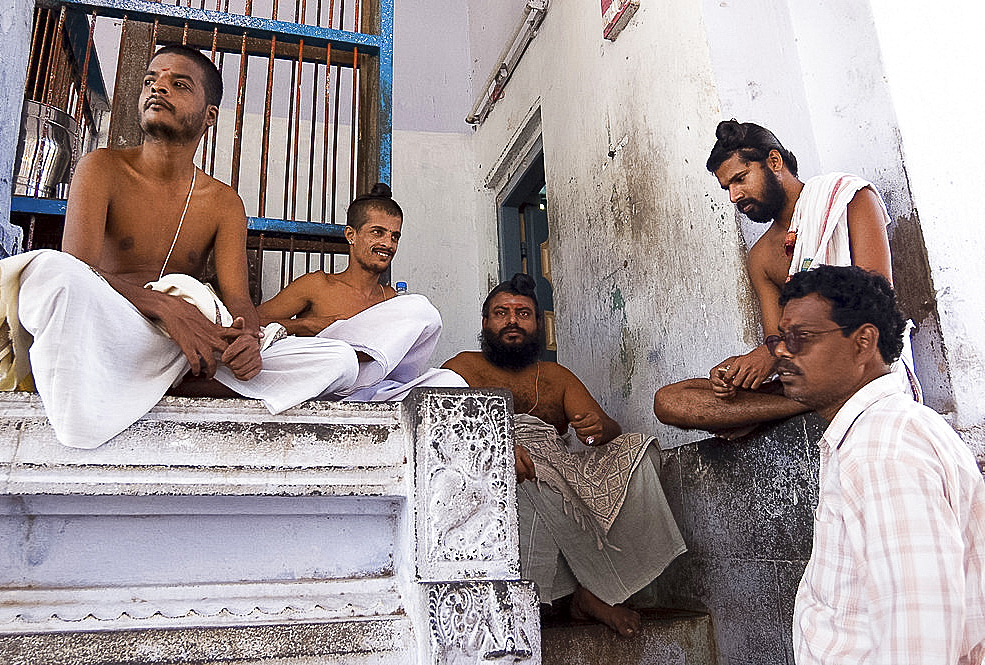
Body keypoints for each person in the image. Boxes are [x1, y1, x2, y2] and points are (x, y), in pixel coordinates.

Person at [0, 44, 364, 448]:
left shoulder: (223, 202)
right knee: (50, 272)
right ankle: (167, 384)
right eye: (151, 80)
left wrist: (248, 340)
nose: (158, 88)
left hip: (185, 345)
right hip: (113, 332)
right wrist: (168, 306)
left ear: (209, 116)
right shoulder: (101, 167)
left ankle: (154, 384)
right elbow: (80, 274)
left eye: (178, 84)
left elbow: (238, 300)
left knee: (336, 361)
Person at [443, 274, 686, 638]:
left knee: (640, 450)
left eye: (523, 313)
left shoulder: (555, 375)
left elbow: (604, 429)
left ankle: (594, 591)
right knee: (524, 477)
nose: (512, 320)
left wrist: (599, 428)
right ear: (485, 323)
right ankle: (532, 603)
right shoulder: (462, 366)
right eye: (501, 313)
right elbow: (443, 428)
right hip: (493, 461)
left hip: (563, 462)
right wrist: (496, 448)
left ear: (538, 324)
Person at [771, 265, 985, 665]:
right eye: (780, 339)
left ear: (863, 342)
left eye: (801, 338)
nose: (782, 351)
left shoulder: (883, 446)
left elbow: (920, 632)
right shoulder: (877, 432)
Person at [654, 119, 918, 434]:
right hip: (804, 374)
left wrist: (772, 353)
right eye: (727, 188)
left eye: (740, 179)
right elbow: (777, 339)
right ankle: (811, 399)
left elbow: (878, 305)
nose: (734, 196)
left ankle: (825, 391)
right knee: (669, 401)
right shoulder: (762, 257)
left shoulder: (848, 198)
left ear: (774, 162)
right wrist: (743, 371)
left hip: (860, 362)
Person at [256, 184, 466, 401]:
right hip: (326, 385)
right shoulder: (318, 284)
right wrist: (305, 326)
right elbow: (250, 321)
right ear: (351, 235)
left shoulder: (393, 301)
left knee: (451, 381)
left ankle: (365, 355)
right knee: (415, 309)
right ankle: (351, 351)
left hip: (374, 392)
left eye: (395, 237)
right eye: (378, 232)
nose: (387, 244)